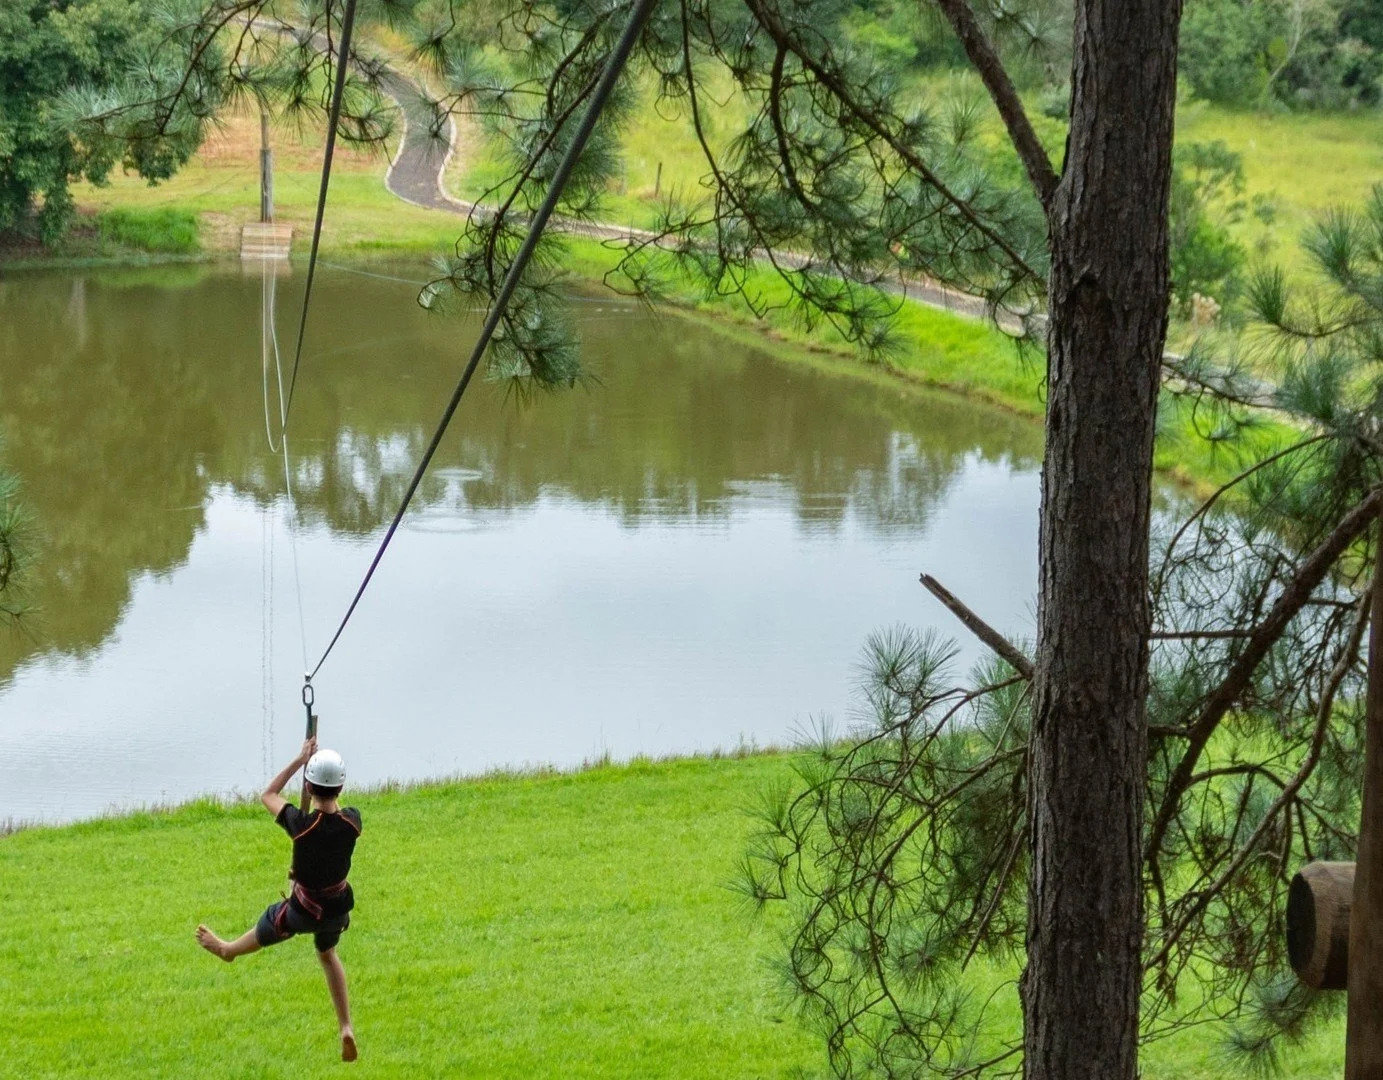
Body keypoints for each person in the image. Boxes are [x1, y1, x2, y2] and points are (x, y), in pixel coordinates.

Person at [196, 737, 363, 1062]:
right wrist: (317, 784)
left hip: (304, 909)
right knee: (328, 955)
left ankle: (228, 950)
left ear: (309, 787)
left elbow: (267, 795)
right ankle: (345, 1025)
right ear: (341, 789)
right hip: (336, 910)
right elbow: (332, 812)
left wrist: (300, 760)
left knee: (271, 922)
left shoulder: (300, 825)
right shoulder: (352, 821)